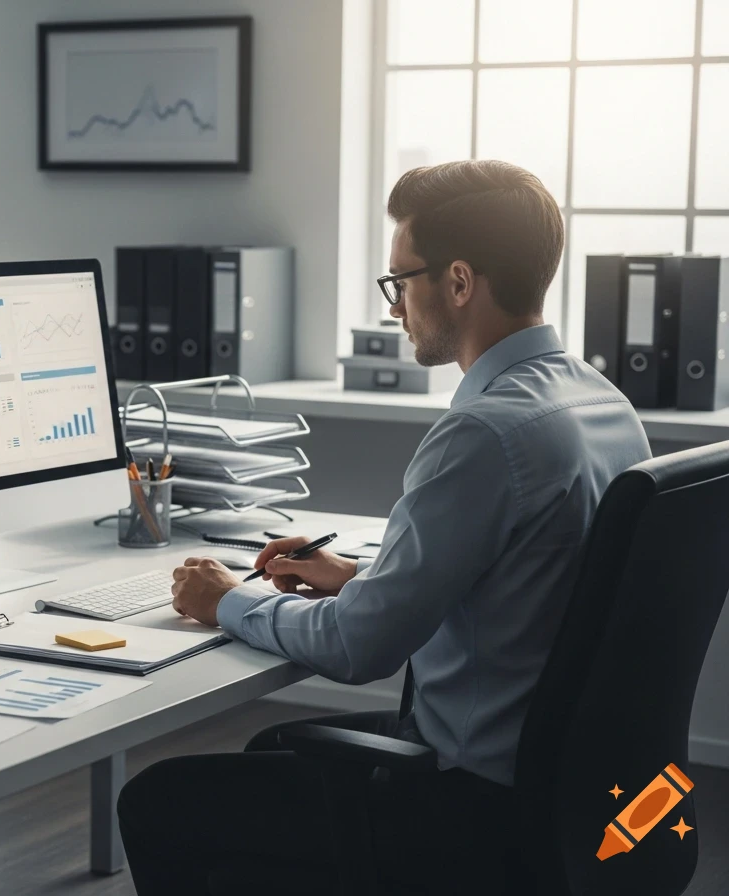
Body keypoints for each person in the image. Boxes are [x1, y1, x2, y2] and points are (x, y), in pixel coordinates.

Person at [116, 160, 653, 893]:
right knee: (275, 745)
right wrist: (361, 578)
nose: (395, 305)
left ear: (459, 282)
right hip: (575, 788)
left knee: (158, 800)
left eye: (401, 280)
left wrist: (225, 600)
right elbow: (529, 582)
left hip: (472, 805)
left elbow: (358, 645)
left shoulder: (484, 434)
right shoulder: (600, 401)